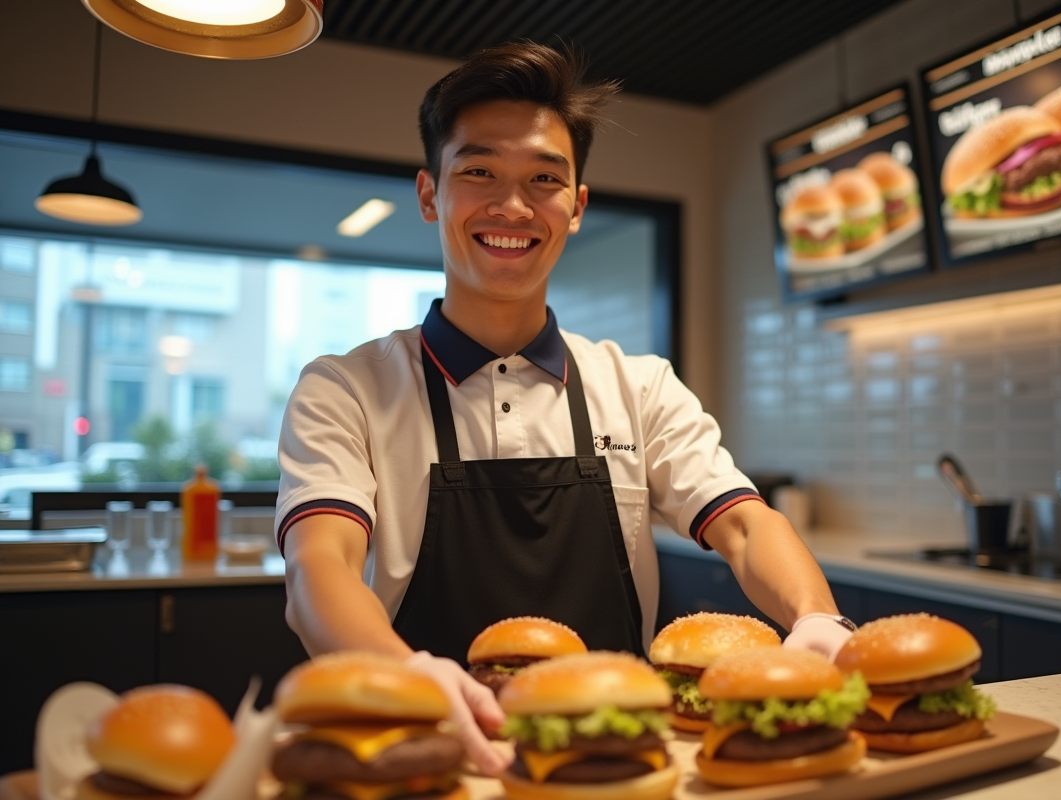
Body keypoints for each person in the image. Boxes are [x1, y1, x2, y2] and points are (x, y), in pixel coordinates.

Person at [276, 42, 854, 776]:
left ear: (576, 207)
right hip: (428, 762)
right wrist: (401, 673)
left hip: (621, 763)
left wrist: (815, 619)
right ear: (430, 194)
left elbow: (743, 524)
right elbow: (318, 565)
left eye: (544, 180)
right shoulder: (348, 387)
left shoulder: (638, 385)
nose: (512, 206)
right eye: (478, 171)